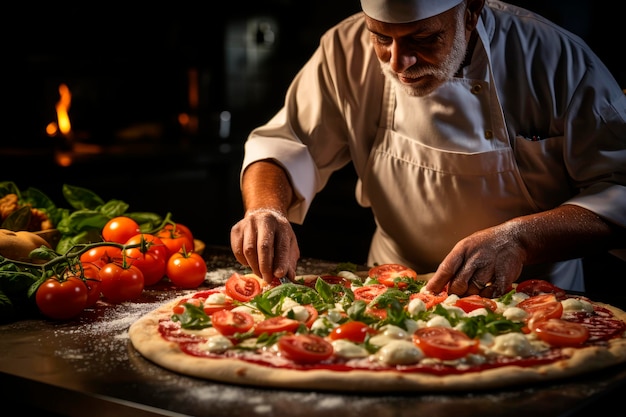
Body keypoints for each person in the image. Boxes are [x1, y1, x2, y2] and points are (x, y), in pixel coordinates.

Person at [230, 0, 626, 298]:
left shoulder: (555, 59)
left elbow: (620, 189)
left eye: (423, 38)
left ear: (470, 12)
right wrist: (265, 207)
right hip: (386, 293)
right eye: (382, 38)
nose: (399, 63)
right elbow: (285, 142)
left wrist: (519, 238)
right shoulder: (344, 48)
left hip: (530, 297)